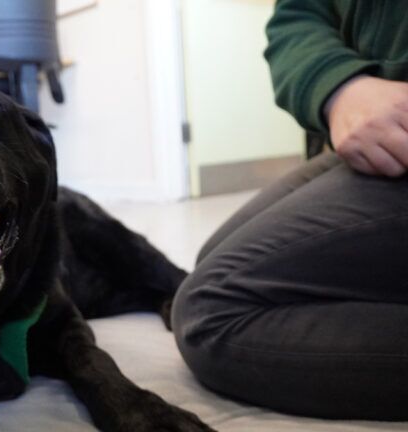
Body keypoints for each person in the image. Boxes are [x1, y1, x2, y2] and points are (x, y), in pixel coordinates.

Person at [171, 0, 408, 421]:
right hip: (382, 129)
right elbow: (299, 13)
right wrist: (341, 88)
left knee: (214, 313)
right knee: (213, 261)